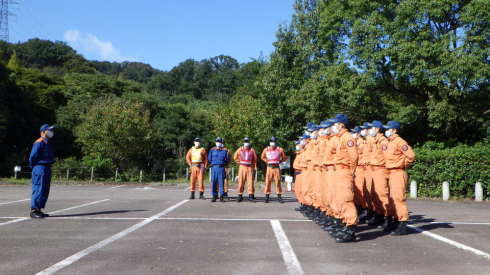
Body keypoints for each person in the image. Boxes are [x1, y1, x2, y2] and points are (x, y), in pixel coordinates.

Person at [329, 114, 359, 243]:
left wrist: (350, 172)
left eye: (335, 124)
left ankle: (351, 229)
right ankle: (345, 226)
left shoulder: (347, 137)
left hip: (344, 171)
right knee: (339, 199)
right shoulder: (340, 138)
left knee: (346, 199)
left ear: (341, 125)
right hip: (339, 170)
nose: (333, 127)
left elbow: (354, 157)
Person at [382, 121, 416, 235]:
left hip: (397, 172)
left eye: (388, 129)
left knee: (398, 199)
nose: (386, 131)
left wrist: (402, 164)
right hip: (390, 173)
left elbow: (411, 155)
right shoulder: (389, 142)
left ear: (394, 130)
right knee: (392, 199)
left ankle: (402, 223)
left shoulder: (399, 141)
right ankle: (396, 221)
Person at [366, 120, 391, 229]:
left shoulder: (383, 142)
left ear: (377, 129)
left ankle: (388, 218)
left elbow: (387, 157)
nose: (370, 130)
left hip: (380, 170)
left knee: (382, 195)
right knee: (375, 195)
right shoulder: (374, 140)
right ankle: (379, 215)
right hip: (374, 170)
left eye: (372, 128)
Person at [28, 124, 55, 219]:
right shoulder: (39, 142)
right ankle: (34, 210)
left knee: (45, 189)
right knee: (39, 188)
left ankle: (39, 209)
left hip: (47, 167)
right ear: (43, 132)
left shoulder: (48, 142)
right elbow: (32, 157)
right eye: (49, 130)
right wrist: (35, 168)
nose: (51, 132)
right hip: (40, 167)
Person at [261, 137, 287, 203]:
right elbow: (262, 157)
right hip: (269, 168)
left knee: (278, 182)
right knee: (267, 182)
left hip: (276, 168)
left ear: (276, 142)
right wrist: (266, 161)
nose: (273, 142)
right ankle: (267, 196)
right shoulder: (266, 149)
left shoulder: (280, 149)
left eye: (274, 141)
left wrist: (280, 161)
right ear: (269, 142)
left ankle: (279, 196)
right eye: (271, 141)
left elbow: (284, 157)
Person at [233, 137, 258, 202]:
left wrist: (254, 167)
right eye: (245, 141)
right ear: (243, 142)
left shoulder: (252, 150)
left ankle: (250, 195)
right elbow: (235, 157)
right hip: (242, 167)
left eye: (247, 141)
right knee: (241, 181)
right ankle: (240, 195)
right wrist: (240, 162)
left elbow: (255, 160)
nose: (246, 143)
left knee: (250, 182)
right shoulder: (240, 149)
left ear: (249, 142)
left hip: (249, 167)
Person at [208, 137, 231, 202]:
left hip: (221, 167)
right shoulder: (212, 150)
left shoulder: (225, 151)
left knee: (221, 183)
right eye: (217, 141)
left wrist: (226, 166)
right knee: (214, 182)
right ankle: (214, 196)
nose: (218, 143)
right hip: (214, 167)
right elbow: (209, 159)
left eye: (219, 142)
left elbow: (227, 160)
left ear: (221, 143)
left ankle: (221, 196)